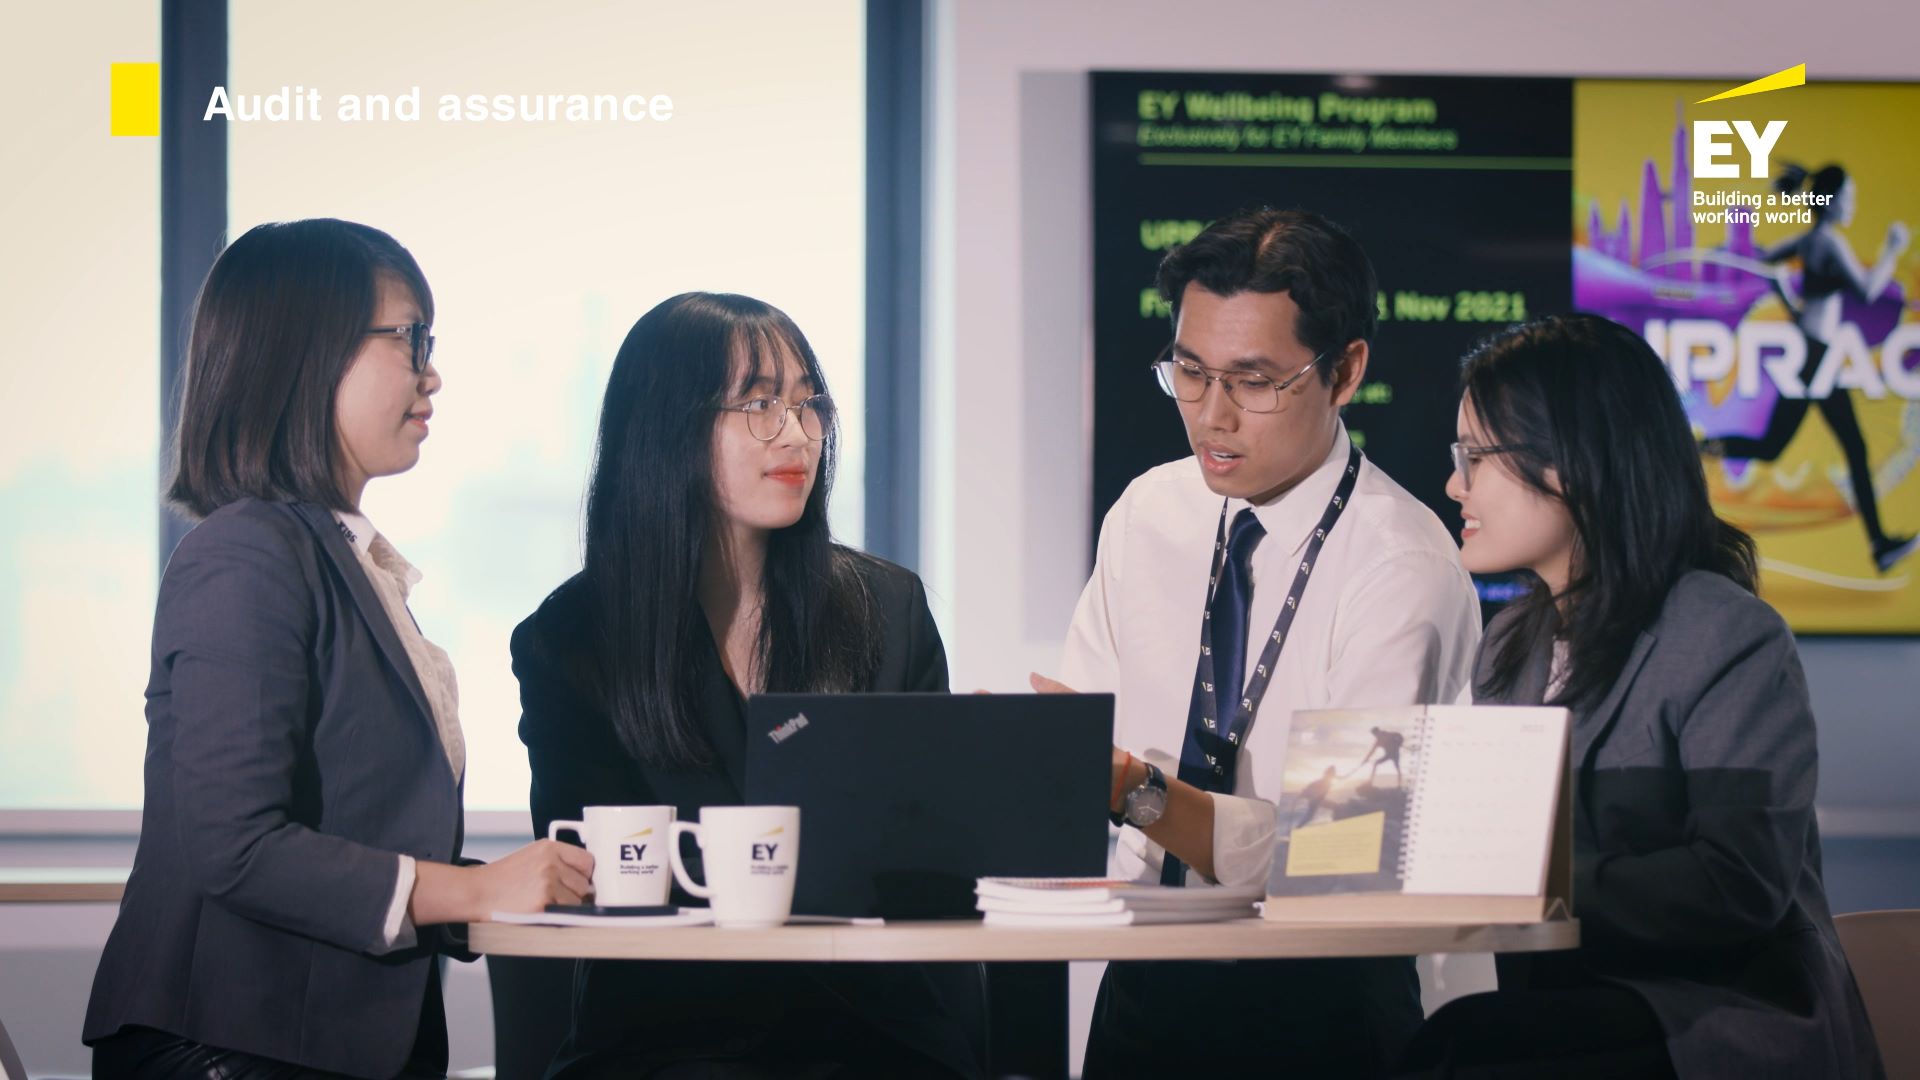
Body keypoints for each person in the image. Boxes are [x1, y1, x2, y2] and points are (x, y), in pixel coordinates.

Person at [84, 219, 592, 1079]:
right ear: (306, 351)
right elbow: (234, 843)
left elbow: (349, 826)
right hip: (231, 1048)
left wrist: (520, 888)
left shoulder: (337, 556)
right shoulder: (246, 551)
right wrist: (470, 890)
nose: (433, 374)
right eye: (411, 338)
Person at [1033, 208, 1483, 1076]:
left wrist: (1139, 794)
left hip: (1323, 995)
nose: (1212, 417)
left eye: (1254, 380)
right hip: (1147, 984)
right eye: (1190, 373)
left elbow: (1340, 852)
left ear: (1346, 370)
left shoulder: (1400, 565)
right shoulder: (1149, 513)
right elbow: (1083, 749)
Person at [1398, 313, 1884, 1079]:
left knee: (1463, 1055)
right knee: (1438, 1042)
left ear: (1571, 462)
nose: (1455, 484)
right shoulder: (1509, 647)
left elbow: (1736, 884)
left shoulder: (1727, 635)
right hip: (1578, 1004)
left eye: (1476, 456)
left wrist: (1526, 879)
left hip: (1721, 1021)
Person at [512, 292, 979, 1078]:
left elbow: (929, 861)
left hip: (871, 1040)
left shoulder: (887, 609)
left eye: (807, 403)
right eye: (759, 404)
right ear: (667, 430)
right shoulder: (571, 639)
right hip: (666, 1045)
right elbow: (592, 877)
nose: (796, 434)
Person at [1702, 162, 1915, 573]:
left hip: (1817, 354)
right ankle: (1880, 544)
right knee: (1849, 448)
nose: (1852, 205)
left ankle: (1698, 445)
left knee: (1774, 446)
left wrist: (1785, 295)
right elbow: (1868, 290)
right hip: (1818, 356)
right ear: (1831, 201)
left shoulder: (1811, 240)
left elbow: (1766, 261)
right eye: (1848, 198)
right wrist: (1892, 248)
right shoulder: (1827, 242)